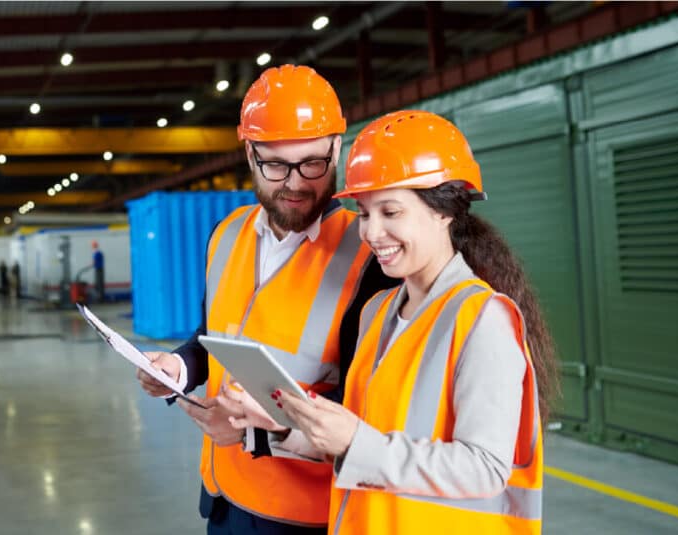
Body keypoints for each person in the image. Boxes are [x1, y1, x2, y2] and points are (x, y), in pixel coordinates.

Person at [230, 110, 557, 534]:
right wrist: (285, 426)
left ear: (444, 212)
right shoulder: (378, 311)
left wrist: (354, 441)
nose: (371, 232)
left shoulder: (482, 320)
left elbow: (484, 469)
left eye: (391, 211)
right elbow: (364, 444)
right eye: (365, 213)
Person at [135, 65, 395, 534]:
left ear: (337, 148)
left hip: (305, 512)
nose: (294, 184)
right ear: (249, 154)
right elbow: (212, 337)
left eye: (312, 164)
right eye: (275, 165)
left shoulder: (371, 255)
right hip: (223, 494)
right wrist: (180, 368)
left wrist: (257, 430)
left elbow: (370, 408)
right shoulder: (227, 235)